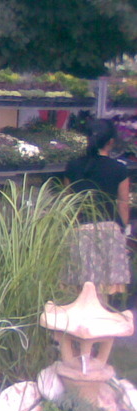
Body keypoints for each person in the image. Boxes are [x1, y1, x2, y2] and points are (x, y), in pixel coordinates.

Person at [63, 118, 131, 295]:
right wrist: (123, 229)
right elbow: (123, 204)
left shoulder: (72, 166)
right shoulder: (119, 169)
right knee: (105, 289)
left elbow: (68, 202)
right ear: (111, 142)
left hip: (80, 231)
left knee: (80, 288)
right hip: (109, 231)